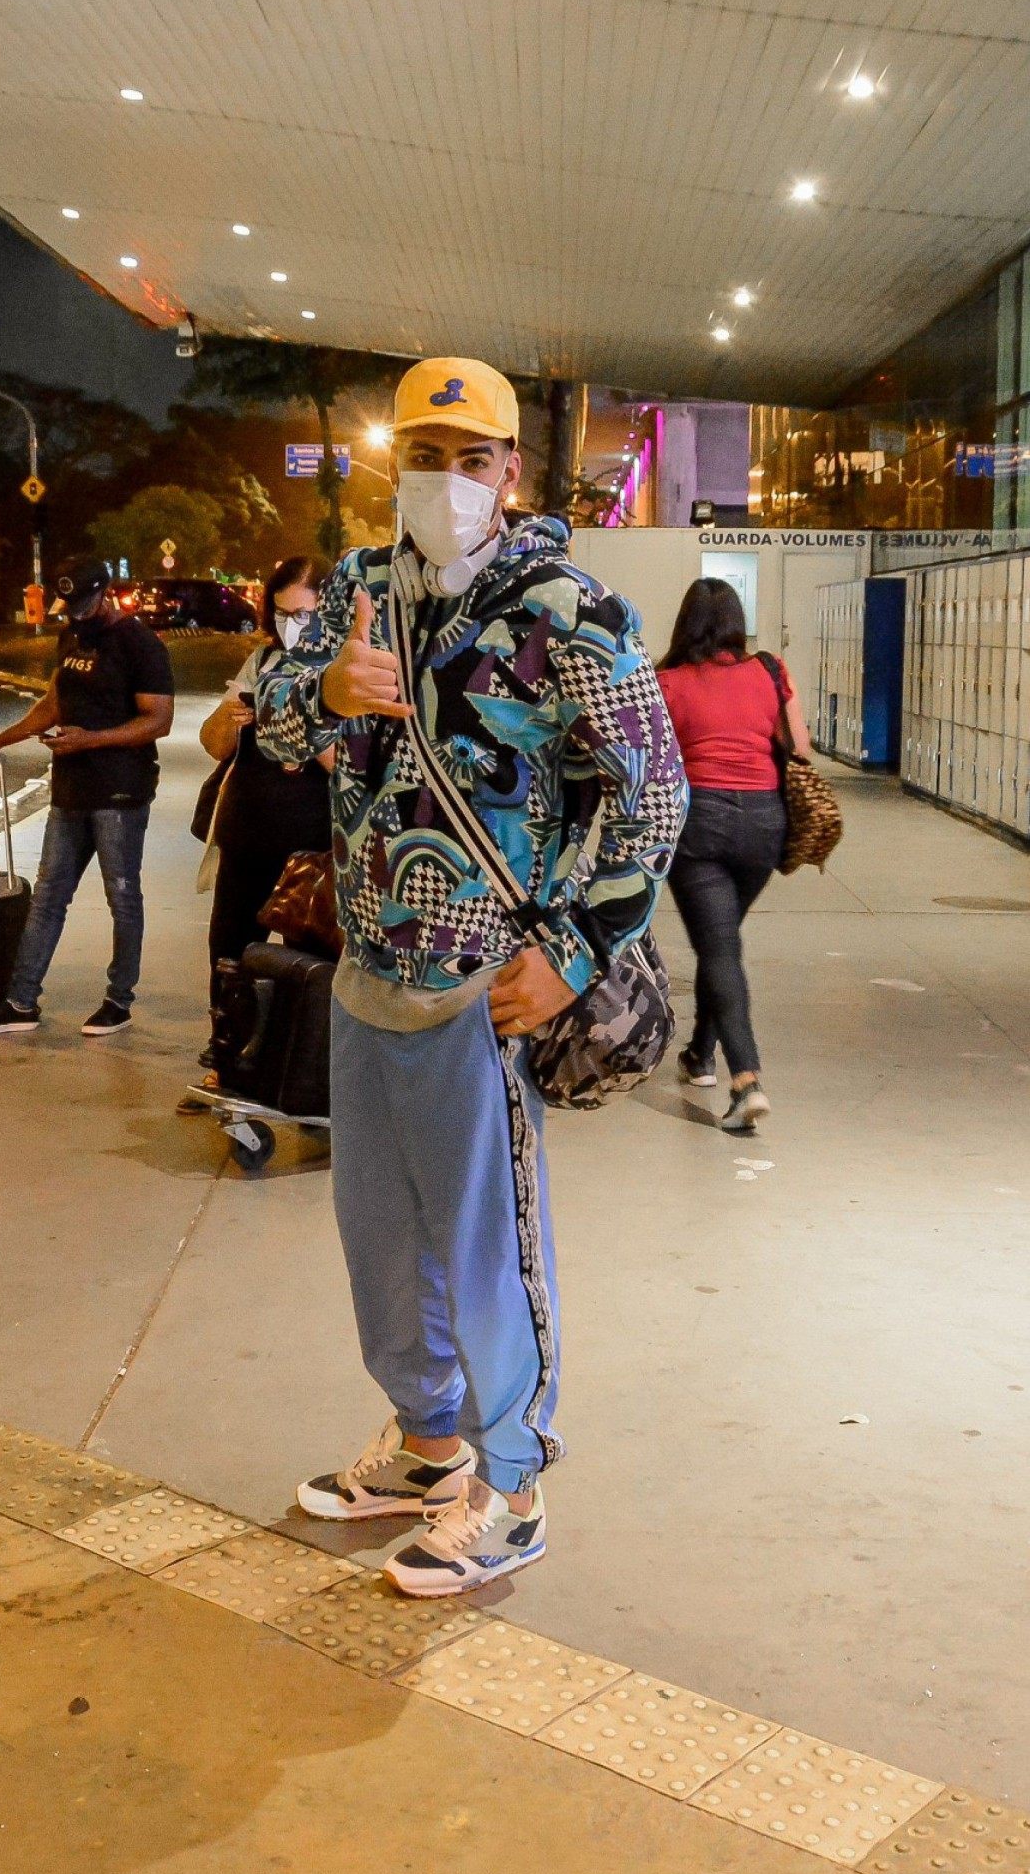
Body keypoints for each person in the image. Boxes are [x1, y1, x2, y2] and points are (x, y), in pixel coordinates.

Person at [256, 358, 686, 1597]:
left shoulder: (566, 607)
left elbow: (650, 789)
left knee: (488, 1254)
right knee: (379, 1240)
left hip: (483, 995)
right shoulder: (355, 589)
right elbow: (268, 721)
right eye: (421, 455)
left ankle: (512, 1486)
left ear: (511, 469)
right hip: (366, 973)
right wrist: (323, 689)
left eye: (468, 456)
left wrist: (573, 952)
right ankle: (426, 1448)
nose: (442, 479)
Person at [0, 555, 174, 1037]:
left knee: (122, 896)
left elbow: (157, 720)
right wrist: (0, 740)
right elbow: (55, 701)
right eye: (69, 604)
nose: (75, 612)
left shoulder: (139, 644)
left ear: (106, 592)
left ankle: (118, 1001)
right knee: (49, 895)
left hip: (119, 790)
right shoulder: (70, 635)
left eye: (83, 602)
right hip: (71, 787)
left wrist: (89, 739)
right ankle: (20, 1003)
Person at [657, 577, 812, 1133]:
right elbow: (802, 745)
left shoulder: (667, 683)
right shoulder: (770, 671)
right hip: (764, 826)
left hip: (699, 824)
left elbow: (654, 763)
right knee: (717, 942)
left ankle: (746, 1081)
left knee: (719, 947)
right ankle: (700, 1054)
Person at [199, 555, 332, 998]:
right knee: (229, 956)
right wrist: (233, 716)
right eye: (282, 613)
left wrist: (293, 723)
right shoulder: (263, 660)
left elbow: (352, 766)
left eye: (303, 614)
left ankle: (298, 1062)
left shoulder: (343, 671)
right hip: (247, 838)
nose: (292, 624)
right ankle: (227, 1055)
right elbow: (214, 744)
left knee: (310, 966)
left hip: (316, 849)